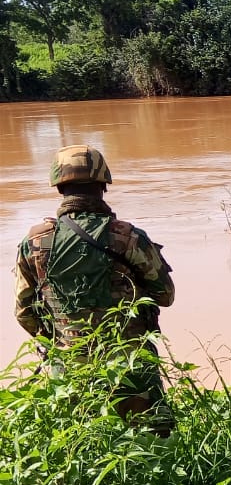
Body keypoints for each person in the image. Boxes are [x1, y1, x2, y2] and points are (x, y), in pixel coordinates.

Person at [13, 144, 176, 430]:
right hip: (131, 365)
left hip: (68, 370)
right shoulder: (128, 237)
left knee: (79, 444)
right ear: (103, 185)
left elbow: (24, 312)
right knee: (153, 444)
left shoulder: (36, 243)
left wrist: (61, 338)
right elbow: (165, 296)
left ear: (59, 187)